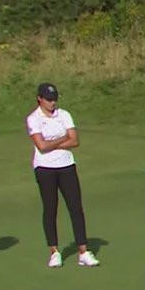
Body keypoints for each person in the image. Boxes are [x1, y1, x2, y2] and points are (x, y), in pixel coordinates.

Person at [26, 83, 100, 268]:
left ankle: (83, 252)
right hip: (44, 169)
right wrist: (62, 139)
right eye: (48, 100)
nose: (52, 103)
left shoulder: (64, 115)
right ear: (39, 99)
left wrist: (52, 143)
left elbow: (75, 141)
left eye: (54, 99)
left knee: (76, 208)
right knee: (50, 209)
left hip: (67, 166)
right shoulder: (33, 119)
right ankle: (54, 252)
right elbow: (41, 146)